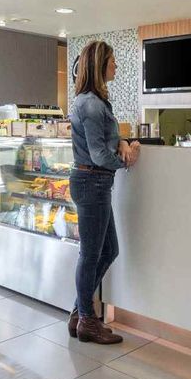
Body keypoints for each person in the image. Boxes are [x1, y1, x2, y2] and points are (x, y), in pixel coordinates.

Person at [68, 40, 139, 344]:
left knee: (107, 250)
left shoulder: (92, 101)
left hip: (94, 183)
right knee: (91, 254)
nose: (116, 65)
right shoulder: (92, 104)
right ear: (99, 64)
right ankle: (86, 319)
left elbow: (104, 141)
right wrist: (126, 160)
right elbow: (99, 155)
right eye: (112, 60)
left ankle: (80, 313)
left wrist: (121, 141)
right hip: (92, 182)